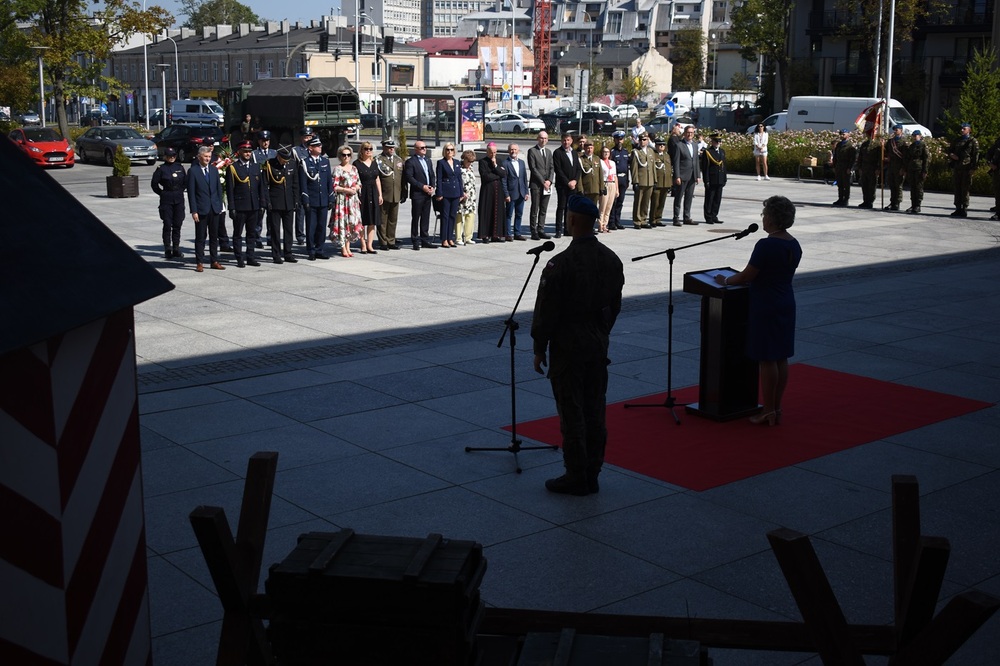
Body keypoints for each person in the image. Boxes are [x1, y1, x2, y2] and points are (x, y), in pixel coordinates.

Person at [531, 194, 625, 496]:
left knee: (572, 412)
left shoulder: (561, 263)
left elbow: (547, 311)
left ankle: (575, 474)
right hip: (597, 344)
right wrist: (600, 332)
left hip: (568, 346)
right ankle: (593, 472)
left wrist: (538, 346)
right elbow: (615, 306)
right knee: (595, 409)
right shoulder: (611, 259)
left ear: (571, 220)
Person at [714, 196, 802, 426]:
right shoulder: (793, 243)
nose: (762, 219)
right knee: (781, 356)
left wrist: (726, 280)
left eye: (764, 215)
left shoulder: (767, 244)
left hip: (766, 304)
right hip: (785, 301)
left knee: (766, 359)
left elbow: (747, 276)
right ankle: (776, 407)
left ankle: (768, 409)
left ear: (771, 219)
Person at [225, 141, 269, 268]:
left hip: (253, 205)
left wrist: (262, 204)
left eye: (249, 151)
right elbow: (230, 190)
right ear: (239, 152)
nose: (248, 154)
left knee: (251, 233)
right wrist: (232, 207)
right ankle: (239, 258)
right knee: (238, 234)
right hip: (240, 206)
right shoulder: (233, 168)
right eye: (245, 151)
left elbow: (261, 187)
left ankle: (251, 256)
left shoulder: (256, 167)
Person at [186, 146, 225, 272]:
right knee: (201, 237)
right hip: (201, 209)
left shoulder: (213, 170)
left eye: (209, 157)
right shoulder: (193, 171)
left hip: (214, 209)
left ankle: (214, 260)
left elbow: (219, 189)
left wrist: (219, 205)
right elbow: (191, 193)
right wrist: (194, 210)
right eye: (205, 157)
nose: (208, 159)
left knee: (214, 237)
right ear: (199, 157)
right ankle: (199, 262)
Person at [262, 144, 300, 264]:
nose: (286, 161)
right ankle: (276, 254)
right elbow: (265, 185)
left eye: (287, 159)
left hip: (288, 202)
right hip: (275, 202)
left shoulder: (292, 164)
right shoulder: (269, 164)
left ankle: (288, 253)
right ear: (278, 156)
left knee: (288, 229)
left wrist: (296, 200)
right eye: (284, 159)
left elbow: (295, 184)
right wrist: (267, 201)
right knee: (275, 230)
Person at [150, 147, 187, 260]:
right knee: (167, 224)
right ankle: (167, 248)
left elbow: (185, 182)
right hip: (166, 198)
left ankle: (176, 248)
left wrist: (180, 190)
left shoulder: (179, 167)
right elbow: (154, 184)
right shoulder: (161, 168)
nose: (172, 158)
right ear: (165, 156)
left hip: (178, 198)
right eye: (169, 156)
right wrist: (162, 193)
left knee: (177, 224)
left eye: (174, 156)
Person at [300, 136, 332, 260]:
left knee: (321, 226)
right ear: (310, 148)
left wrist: (330, 198)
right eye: (317, 146)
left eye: (320, 145)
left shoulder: (324, 161)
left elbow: (329, 181)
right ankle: (311, 250)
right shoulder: (305, 162)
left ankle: (320, 249)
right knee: (311, 226)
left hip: (323, 199)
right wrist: (305, 199)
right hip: (312, 200)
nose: (320, 147)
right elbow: (303, 183)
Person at [403, 140, 438, 249]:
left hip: (428, 193)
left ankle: (425, 239)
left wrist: (432, 186)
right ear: (416, 149)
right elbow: (409, 178)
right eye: (422, 147)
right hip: (418, 194)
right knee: (416, 217)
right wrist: (422, 186)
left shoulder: (428, 160)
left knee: (425, 217)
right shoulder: (411, 162)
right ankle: (415, 240)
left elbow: (431, 174)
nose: (424, 149)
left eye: (425, 147)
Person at [332, 145, 363, 257]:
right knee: (342, 224)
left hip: (353, 201)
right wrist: (346, 190)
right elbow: (334, 186)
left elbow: (359, 183)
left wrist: (355, 188)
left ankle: (348, 247)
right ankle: (343, 247)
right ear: (340, 156)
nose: (346, 157)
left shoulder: (354, 168)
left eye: (348, 155)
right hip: (342, 200)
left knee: (351, 223)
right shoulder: (337, 169)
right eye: (344, 155)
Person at [375, 139, 406, 250]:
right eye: (389, 147)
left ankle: (391, 240)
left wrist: (404, 192)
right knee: (383, 220)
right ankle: (383, 242)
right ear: (384, 147)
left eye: (393, 147)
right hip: (384, 194)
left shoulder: (398, 160)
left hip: (396, 193)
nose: (391, 149)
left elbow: (403, 178)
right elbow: (376, 177)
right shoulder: (378, 160)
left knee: (393, 219)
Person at [353, 141, 382, 254]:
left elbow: (377, 179)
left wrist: (380, 194)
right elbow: (354, 181)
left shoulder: (374, 163)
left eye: (370, 149)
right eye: (366, 149)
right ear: (362, 150)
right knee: (362, 220)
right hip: (362, 193)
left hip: (373, 192)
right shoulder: (357, 164)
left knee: (372, 220)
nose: (368, 151)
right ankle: (363, 244)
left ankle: (370, 245)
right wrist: (356, 195)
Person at [435, 143, 464, 247]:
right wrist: (439, 193)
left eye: (451, 150)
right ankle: (444, 239)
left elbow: (459, 178)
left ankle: (450, 238)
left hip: (455, 193)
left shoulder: (457, 162)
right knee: (445, 216)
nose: (450, 152)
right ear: (444, 151)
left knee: (453, 215)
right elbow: (438, 178)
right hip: (446, 193)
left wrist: (461, 192)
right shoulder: (441, 163)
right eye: (447, 150)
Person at [670, 125, 701, 225]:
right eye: (688, 132)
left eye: (692, 133)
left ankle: (687, 217)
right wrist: (677, 176)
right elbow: (676, 162)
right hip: (682, 175)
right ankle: (676, 217)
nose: (690, 134)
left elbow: (696, 161)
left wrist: (698, 175)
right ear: (684, 133)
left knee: (689, 197)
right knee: (678, 197)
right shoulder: (679, 145)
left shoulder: (695, 145)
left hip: (692, 175)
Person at [526, 131, 554, 240]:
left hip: (547, 185)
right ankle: (533, 231)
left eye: (546, 138)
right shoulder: (532, 151)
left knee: (543, 208)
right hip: (536, 184)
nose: (544, 140)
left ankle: (541, 229)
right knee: (535, 208)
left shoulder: (548, 152)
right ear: (538, 138)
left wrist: (549, 181)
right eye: (542, 138)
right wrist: (543, 181)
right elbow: (533, 168)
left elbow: (552, 168)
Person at [552, 133, 581, 238]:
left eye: (568, 140)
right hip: (562, 186)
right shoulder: (557, 153)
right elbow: (558, 170)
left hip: (573, 185)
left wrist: (575, 181)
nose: (566, 142)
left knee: (570, 209)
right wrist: (567, 182)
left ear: (571, 141)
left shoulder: (574, 153)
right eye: (564, 140)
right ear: (561, 141)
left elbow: (578, 168)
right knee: (561, 207)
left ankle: (568, 229)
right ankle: (558, 230)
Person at [948, 122, 979, 218]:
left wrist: (973, 168)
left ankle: (964, 208)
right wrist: (952, 155)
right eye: (961, 128)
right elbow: (950, 150)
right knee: (957, 188)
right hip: (957, 167)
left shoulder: (973, 141)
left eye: (964, 128)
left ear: (969, 130)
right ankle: (958, 208)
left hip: (967, 168)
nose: (962, 130)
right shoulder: (957, 140)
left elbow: (976, 156)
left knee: (965, 189)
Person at [478, 142, 507, 242]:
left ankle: (496, 235)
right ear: (487, 152)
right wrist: (497, 174)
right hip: (487, 191)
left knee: (498, 212)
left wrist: (495, 166)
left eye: (495, 152)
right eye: (491, 152)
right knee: (487, 211)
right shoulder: (483, 161)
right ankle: (485, 235)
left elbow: (503, 174)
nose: (493, 154)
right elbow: (485, 176)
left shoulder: (499, 161)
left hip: (498, 191)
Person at [252, 129, 276, 245]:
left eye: (267, 141)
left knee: (271, 215)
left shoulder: (274, 153)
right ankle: (257, 238)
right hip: (260, 187)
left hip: (271, 187)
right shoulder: (255, 154)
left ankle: (270, 237)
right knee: (259, 214)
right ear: (259, 142)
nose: (265, 143)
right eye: (263, 141)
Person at [292, 128, 315, 245]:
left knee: (312, 212)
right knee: (300, 212)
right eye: (306, 137)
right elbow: (294, 169)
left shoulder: (314, 149)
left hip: (312, 185)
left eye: (310, 137)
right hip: (301, 185)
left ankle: (311, 233)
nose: (308, 139)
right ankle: (300, 236)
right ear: (301, 138)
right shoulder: (296, 151)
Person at [502, 143, 529, 241]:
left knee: (519, 214)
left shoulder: (521, 162)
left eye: (515, 149)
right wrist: (506, 194)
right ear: (509, 151)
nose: (513, 151)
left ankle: (517, 233)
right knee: (508, 214)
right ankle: (508, 234)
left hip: (521, 193)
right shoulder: (505, 163)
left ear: (518, 151)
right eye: (511, 149)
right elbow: (504, 181)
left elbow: (524, 178)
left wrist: (526, 192)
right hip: (511, 193)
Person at [699, 133, 726, 225]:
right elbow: (705, 167)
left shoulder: (722, 151)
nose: (718, 143)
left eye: (720, 141)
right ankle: (708, 217)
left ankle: (714, 215)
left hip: (720, 178)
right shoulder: (708, 152)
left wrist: (724, 178)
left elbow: (723, 166)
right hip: (712, 178)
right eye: (717, 141)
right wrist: (706, 180)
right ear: (712, 142)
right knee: (709, 199)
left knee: (717, 199)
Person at [629, 133, 654, 229]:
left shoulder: (650, 151)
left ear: (648, 141)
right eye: (641, 140)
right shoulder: (636, 152)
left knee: (646, 202)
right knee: (638, 201)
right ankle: (637, 220)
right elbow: (634, 168)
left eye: (645, 140)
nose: (643, 141)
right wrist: (635, 181)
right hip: (641, 180)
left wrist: (654, 180)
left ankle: (644, 219)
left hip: (650, 181)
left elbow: (653, 168)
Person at [608, 130, 630, 231]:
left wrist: (628, 180)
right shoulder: (612, 152)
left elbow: (627, 167)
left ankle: (618, 221)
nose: (619, 141)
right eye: (618, 139)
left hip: (623, 179)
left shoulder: (626, 152)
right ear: (615, 140)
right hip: (615, 179)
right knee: (613, 202)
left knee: (620, 202)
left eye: (621, 139)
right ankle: (611, 222)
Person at [457, 150, 478, 245]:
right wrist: (461, 193)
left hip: (471, 197)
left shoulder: (471, 168)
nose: (470, 163)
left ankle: (468, 237)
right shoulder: (459, 168)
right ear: (464, 159)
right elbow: (457, 182)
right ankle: (458, 238)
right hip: (462, 197)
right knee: (460, 217)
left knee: (470, 216)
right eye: (468, 161)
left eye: (471, 161)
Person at [905, 130, 929, 214]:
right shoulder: (912, 146)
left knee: (918, 188)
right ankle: (913, 205)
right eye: (913, 136)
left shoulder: (923, 145)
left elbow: (926, 159)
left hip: (919, 169)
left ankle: (918, 205)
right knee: (913, 187)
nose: (914, 137)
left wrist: (925, 171)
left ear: (920, 136)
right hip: (912, 169)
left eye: (916, 135)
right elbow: (908, 158)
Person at [831, 129, 857, 207]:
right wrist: (834, 166)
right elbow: (835, 156)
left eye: (844, 134)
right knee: (840, 183)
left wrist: (850, 168)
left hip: (846, 166)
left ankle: (846, 199)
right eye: (841, 134)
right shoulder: (839, 145)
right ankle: (840, 198)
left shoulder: (850, 146)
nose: (842, 135)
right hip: (839, 166)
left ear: (848, 135)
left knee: (846, 184)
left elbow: (852, 159)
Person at [883, 124, 906, 211]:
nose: (895, 131)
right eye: (894, 130)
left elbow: (905, 157)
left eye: (897, 130)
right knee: (892, 185)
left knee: (898, 186)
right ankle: (892, 202)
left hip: (899, 167)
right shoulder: (890, 142)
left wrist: (903, 168)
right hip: (891, 166)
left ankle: (897, 203)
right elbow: (886, 152)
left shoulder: (903, 142)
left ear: (901, 130)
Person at [649, 137, 671, 227]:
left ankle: (658, 218)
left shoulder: (667, 155)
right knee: (655, 202)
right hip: (657, 182)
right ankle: (653, 219)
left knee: (662, 202)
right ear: (656, 145)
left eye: (663, 145)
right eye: (659, 144)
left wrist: (670, 183)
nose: (662, 146)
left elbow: (669, 169)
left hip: (666, 182)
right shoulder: (653, 155)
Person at [856, 133, 881, 209]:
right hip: (864, 167)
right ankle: (865, 201)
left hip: (873, 168)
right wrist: (859, 167)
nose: (870, 136)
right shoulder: (864, 144)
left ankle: (870, 201)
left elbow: (880, 158)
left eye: (871, 134)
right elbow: (860, 157)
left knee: (872, 186)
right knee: (864, 185)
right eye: (869, 134)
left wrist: (878, 168)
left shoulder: (878, 145)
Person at [596, 145, 618, 233]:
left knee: (609, 206)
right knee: (603, 206)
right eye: (604, 152)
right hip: (604, 183)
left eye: (607, 152)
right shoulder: (600, 162)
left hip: (612, 183)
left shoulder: (613, 163)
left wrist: (617, 189)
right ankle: (600, 224)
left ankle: (605, 224)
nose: (606, 153)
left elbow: (615, 176)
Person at [575, 140, 602, 206]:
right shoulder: (581, 159)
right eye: (588, 148)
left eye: (591, 148)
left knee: (594, 208)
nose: (589, 150)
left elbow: (600, 174)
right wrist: (580, 189)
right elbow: (579, 175)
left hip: (595, 188)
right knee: (585, 209)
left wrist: (602, 187)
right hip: (586, 188)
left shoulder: (597, 158)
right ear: (584, 149)